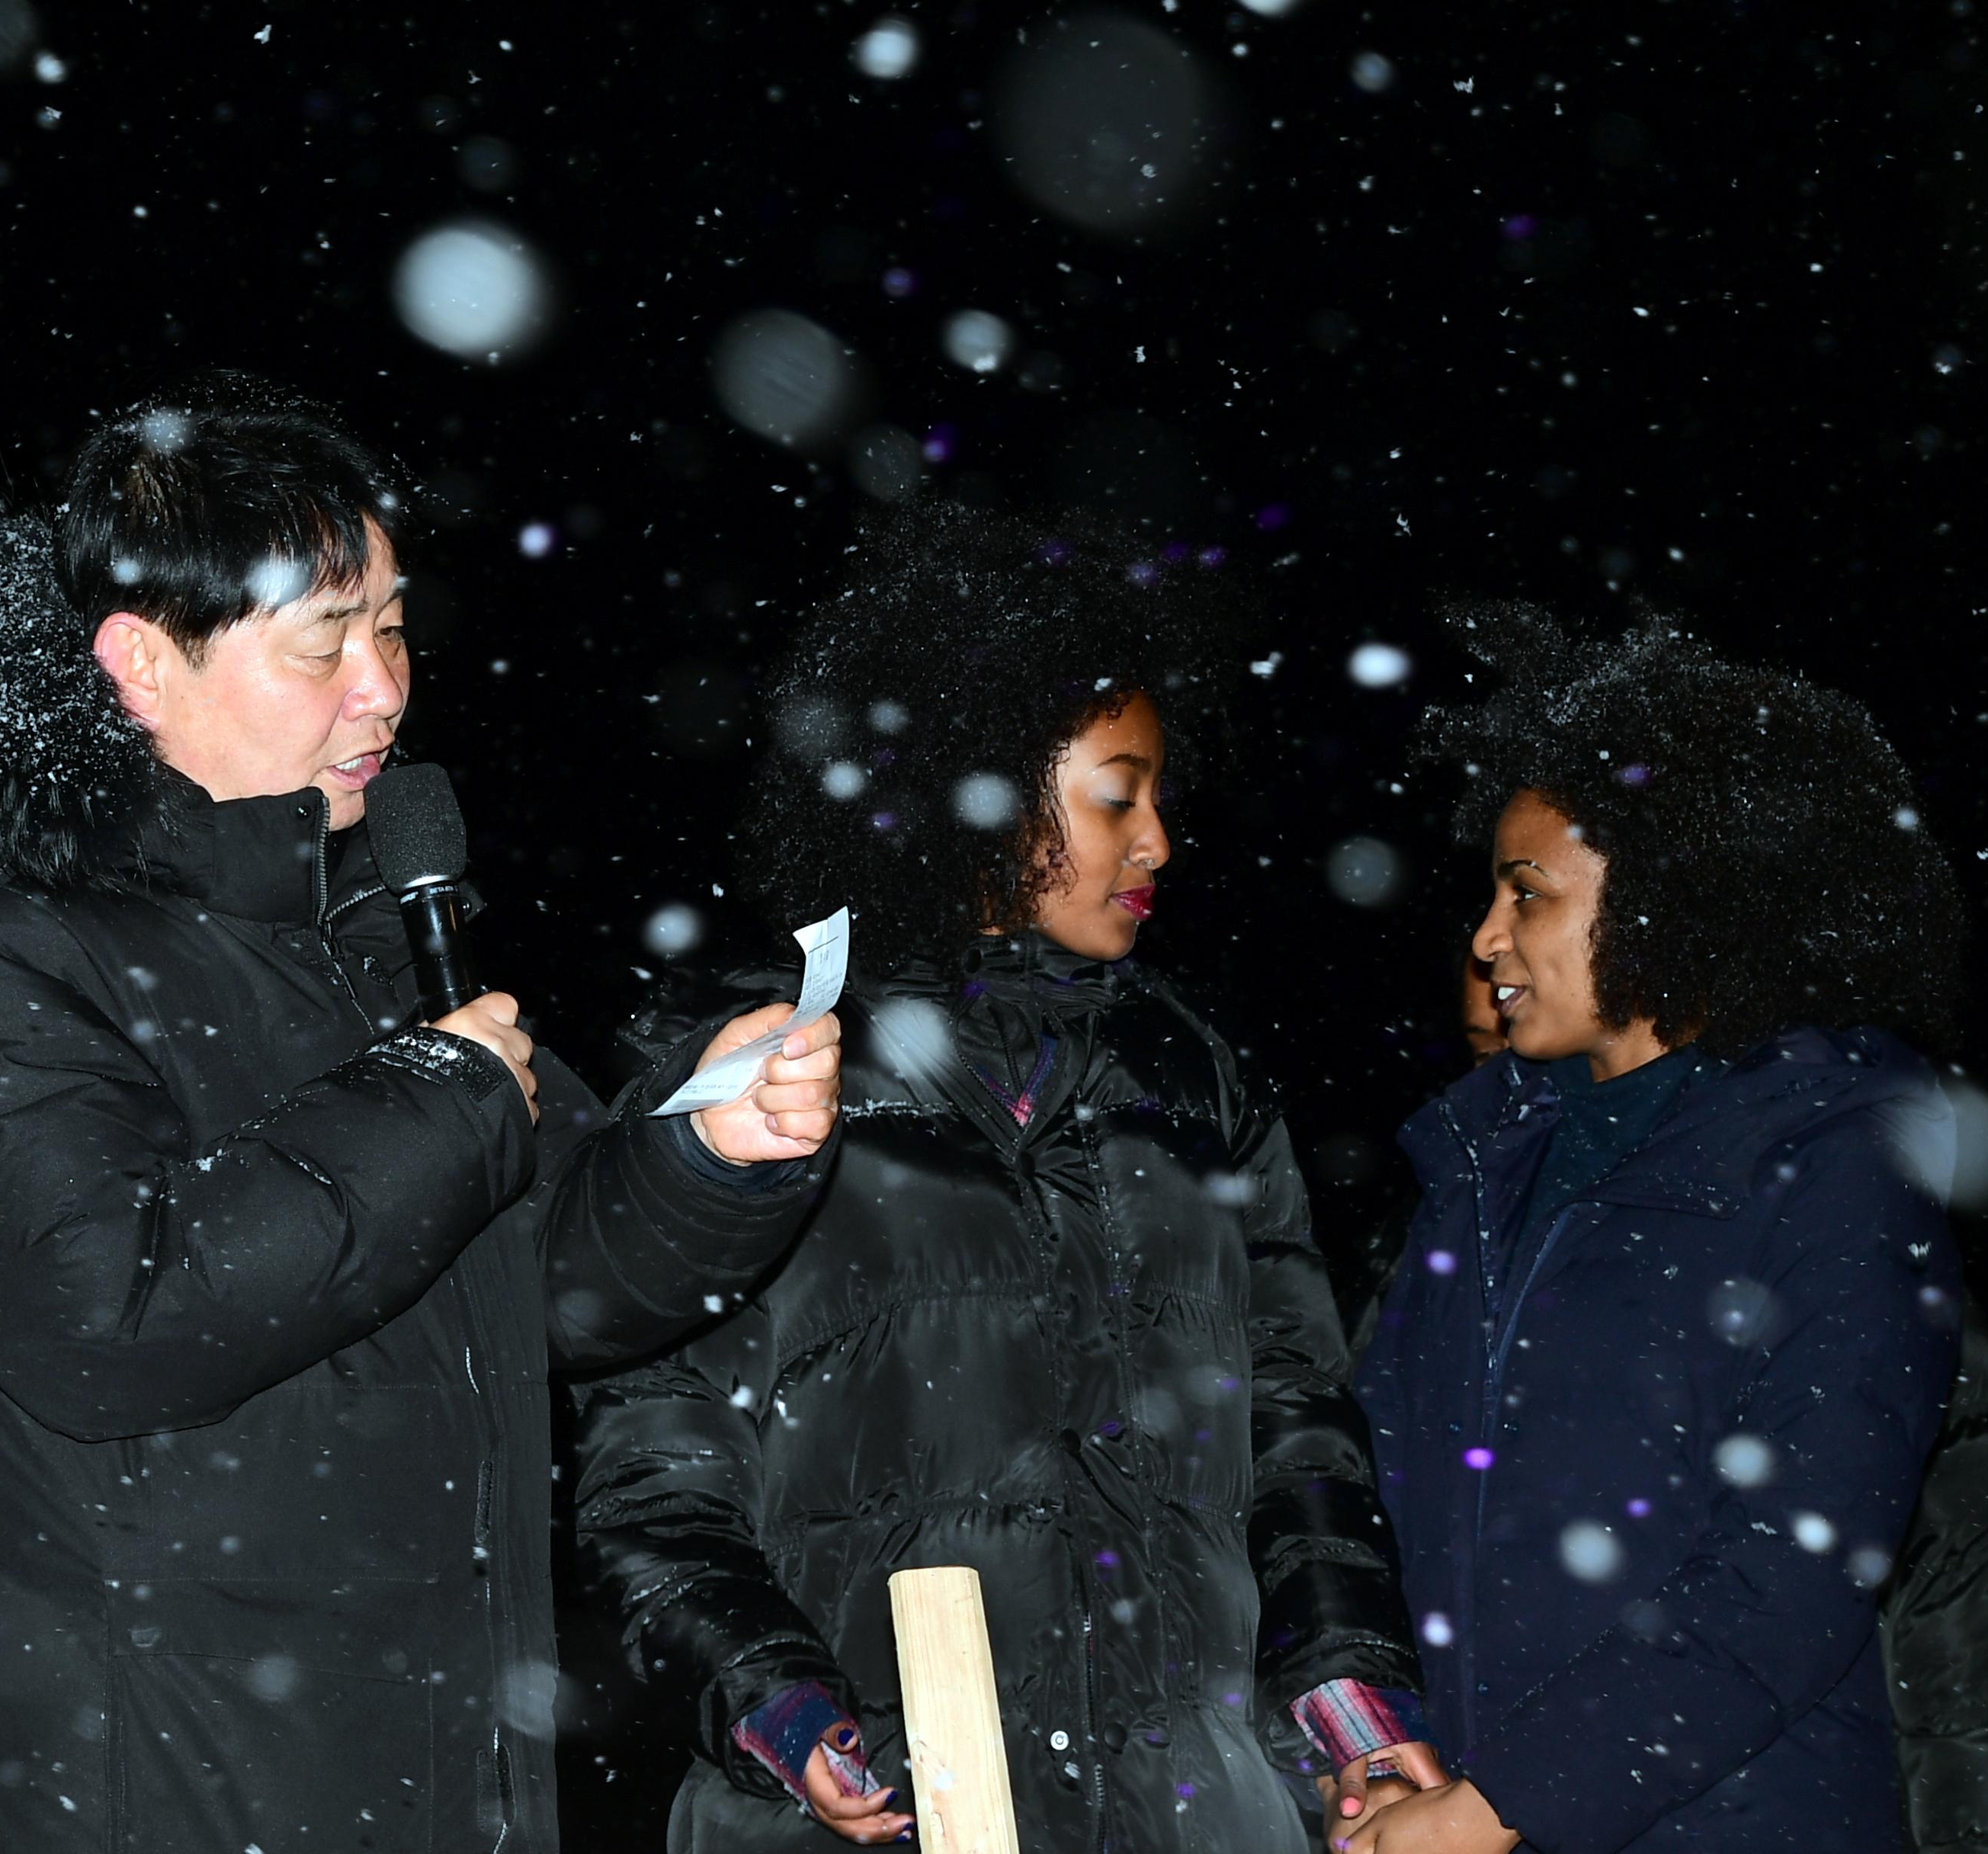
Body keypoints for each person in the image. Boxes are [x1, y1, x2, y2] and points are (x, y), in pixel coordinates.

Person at [0, 371, 842, 1852]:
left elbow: (546, 1279)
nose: (386, 687)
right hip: (152, 1795)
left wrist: (708, 1152)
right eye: (323, 641)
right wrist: (431, 1099)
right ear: (141, 664)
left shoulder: (364, 945)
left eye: (394, 624)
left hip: (430, 1765)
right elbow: (117, 1314)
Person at [569, 507, 1437, 1853]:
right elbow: (654, 1469)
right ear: (976, 784)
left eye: (1158, 796)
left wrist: (1347, 1695)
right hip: (882, 1814)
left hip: (1189, 1813)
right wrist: (780, 1705)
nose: (1155, 840)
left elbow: (1296, 1427)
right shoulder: (766, 1061)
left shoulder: (1202, 1085)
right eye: (1113, 794)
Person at [1348, 611, 1969, 1853]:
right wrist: (1373, 1740)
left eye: (1525, 893)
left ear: (1670, 897)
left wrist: (1499, 1803)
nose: (1484, 939)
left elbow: (1793, 1572)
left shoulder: (1833, 1165)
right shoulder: (1472, 1170)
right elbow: (1380, 1505)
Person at [1368, 945, 1988, 1854]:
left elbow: (1975, 1602)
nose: (1513, 1081)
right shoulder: (1437, 1275)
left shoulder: (1832, 1251)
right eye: (1487, 1049)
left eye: (1528, 1048)